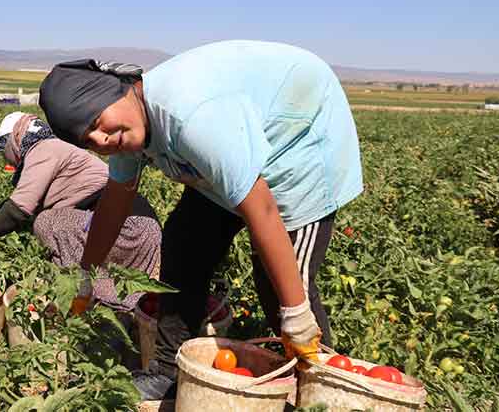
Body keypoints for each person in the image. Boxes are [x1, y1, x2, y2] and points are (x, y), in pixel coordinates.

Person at [38, 40, 363, 399]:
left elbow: (263, 209)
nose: (102, 139)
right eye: (90, 141)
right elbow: (114, 203)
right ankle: (167, 370)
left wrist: (298, 316)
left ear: (120, 89)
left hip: (298, 135)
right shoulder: (129, 125)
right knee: (183, 244)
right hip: (235, 143)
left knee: (282, 287)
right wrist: (86, 277)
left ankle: (325, 393)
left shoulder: (192, 117)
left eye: (98, 123)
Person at [0, 111, 162, 311]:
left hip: (128, 229)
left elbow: (18, 209)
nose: (6, 157)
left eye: (3, 148)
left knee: (46, 222)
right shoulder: (56, 147)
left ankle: (83, 287)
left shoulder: (43, 149)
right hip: (139, 228)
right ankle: (106, 284)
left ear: (16, 138)